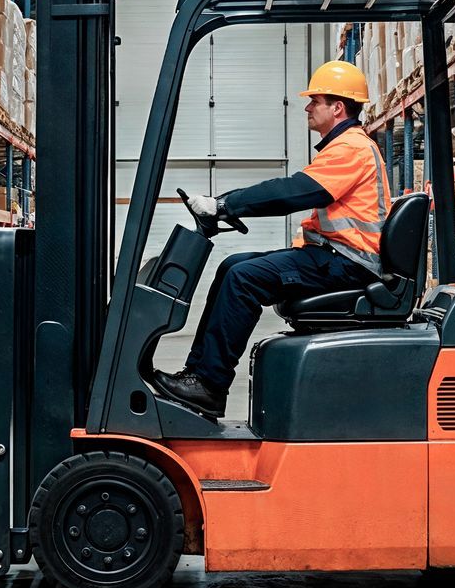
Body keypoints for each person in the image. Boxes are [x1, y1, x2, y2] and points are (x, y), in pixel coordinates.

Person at [153, 60, 388, 418]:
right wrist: (228, 207)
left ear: (337, 107)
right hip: (335, 257)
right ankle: (198, 375)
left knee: (244, 278)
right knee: (234, 265)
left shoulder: (351, 149)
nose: (308, 107)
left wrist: (224, 203)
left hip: (349, 264)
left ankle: (210, 385)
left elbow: (292, 192)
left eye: (315, 101)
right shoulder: (344, 148)